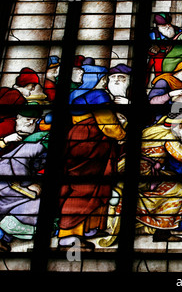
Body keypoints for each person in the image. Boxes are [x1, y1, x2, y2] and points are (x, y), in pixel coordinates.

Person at [58, 59, 127, 252]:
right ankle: (68, 235)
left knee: (92, 187)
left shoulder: (77, 96)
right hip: (91, 144)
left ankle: (88, 228)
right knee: (85, 188)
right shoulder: (98, 96)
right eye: (104, 78)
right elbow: (108, 124)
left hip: (78, 141)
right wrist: (123, 136)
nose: (105, 82)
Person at [138, 113, 182, 242]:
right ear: (178, 125)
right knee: (180, 190)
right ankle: (162, 233)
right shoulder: (168, 136)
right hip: (145, 175)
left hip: (130, 168)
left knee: (173, 177)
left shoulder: (152, 129)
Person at [0, 108, 46, 252]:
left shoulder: (35, 140)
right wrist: (5, 140)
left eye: (34, 121)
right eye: (27, 120)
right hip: (8, 181)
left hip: (14, 183)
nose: (30, 124)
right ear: (17, 118)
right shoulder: (5, 129)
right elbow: (16, 162)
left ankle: (4, 238)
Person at [146, 13, 182, 87]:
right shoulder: (152, 34)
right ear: (157, 25)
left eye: (168, 24)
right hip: (159, 60)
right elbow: (148, 49)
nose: (167, 26)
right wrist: (153, 50)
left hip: (176, 59)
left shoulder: (178, 31)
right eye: (163, 25)